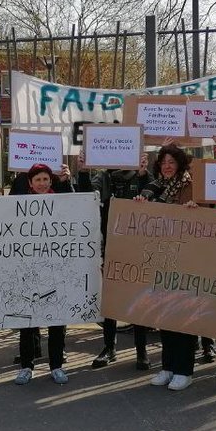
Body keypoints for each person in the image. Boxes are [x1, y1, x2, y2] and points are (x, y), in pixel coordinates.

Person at [76, 149, 152, 370]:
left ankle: (142, 351)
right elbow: (87, 195)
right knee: (110, 300)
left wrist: (144, 175)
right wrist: (82, 171)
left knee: (138, 299)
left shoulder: (141, 176)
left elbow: (154, 195)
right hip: (111, 245)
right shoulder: (104, 177)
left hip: (138, 247)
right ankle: (109, 348)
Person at [138, 144, 199, 391]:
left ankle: (184, 370)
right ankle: (168, 366)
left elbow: (202, 215)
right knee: (164, 314)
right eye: (163, 162)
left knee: (182, 314)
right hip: (162, 256)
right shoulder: (154, 188)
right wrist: (140, 205)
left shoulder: (189, 184)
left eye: (172, 162)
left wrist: (195, 209)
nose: (167, 166)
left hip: (184, 256)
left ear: (181, 164)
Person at [12, 163, 73, 386]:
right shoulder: (19, 203)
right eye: (37, 180)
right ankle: (26, 366)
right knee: (28, 320)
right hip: (28, 270)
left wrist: (67, 181)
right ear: (30, 182)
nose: (42, 184)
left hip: (56, 269)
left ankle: (56, 366)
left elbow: (79, 211)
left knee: (57, 320)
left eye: (46, 179)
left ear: (51, 181)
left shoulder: (62, 199)